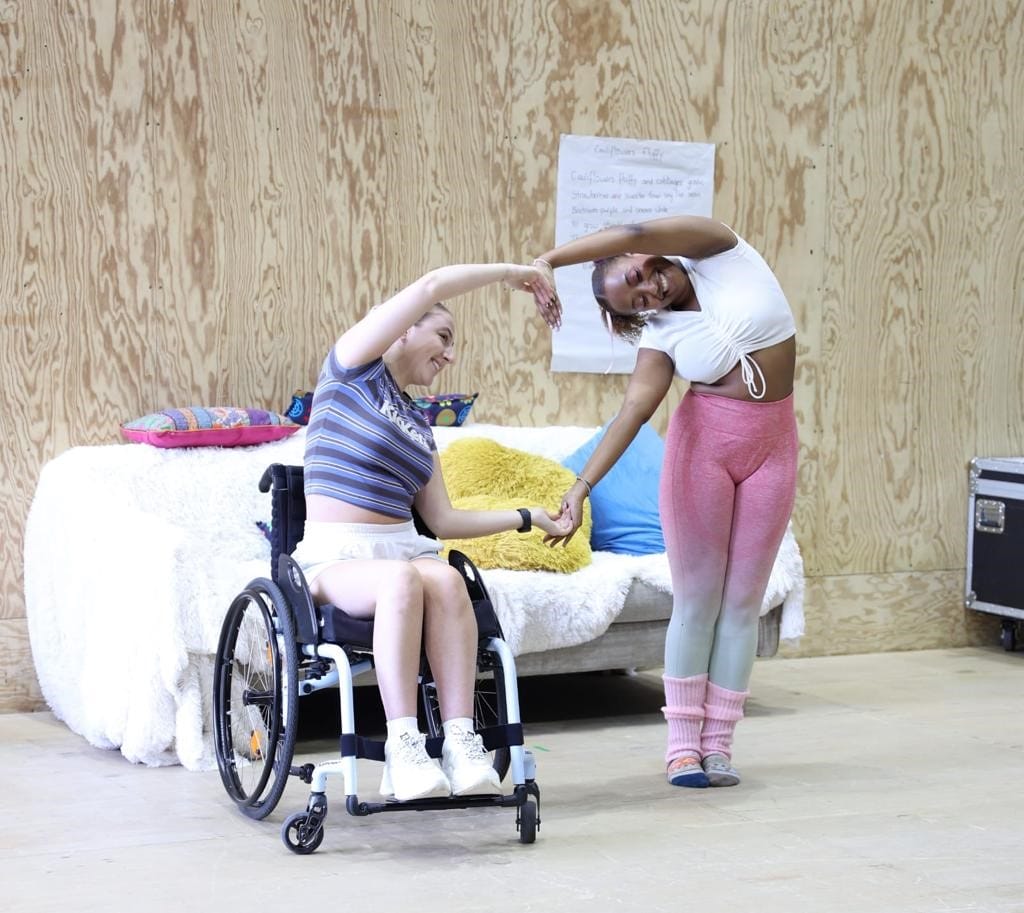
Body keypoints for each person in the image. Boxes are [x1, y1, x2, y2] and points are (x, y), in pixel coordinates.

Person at [528, 215, 798, 788]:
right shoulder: (662, 334)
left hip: (774, 446)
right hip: (701, 451)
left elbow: (631, 233)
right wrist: (579, 490)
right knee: (698, 602)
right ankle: (682, 749)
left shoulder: (723, 252)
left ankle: (719, 747)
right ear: (635, 316)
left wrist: (549, 261)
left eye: (640, 272)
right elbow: (632, 412)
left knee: (743, 603)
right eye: (636, 298)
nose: (649, 284)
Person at [293, 261, 572, 802]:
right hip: (337, 557)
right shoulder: (352, 369)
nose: (450, 354)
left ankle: (459, 740)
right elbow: (432, 285)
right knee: (402, 579)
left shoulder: (420, 425)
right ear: (404, 328)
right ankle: (403, 746)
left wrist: (527, 517)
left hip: (405, 550)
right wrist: (518, 274)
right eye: (443, 336)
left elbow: (443, 521)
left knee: (445, 580)